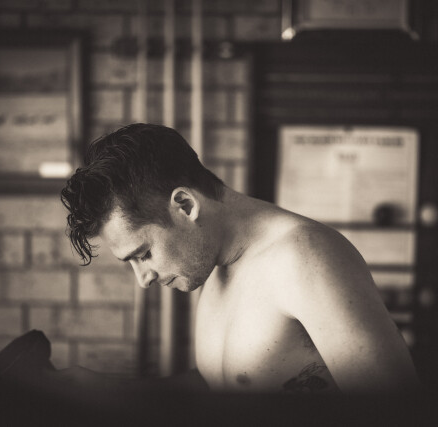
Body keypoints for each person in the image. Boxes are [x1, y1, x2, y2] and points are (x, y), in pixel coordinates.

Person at [58, 123, 419, 397]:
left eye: (144, 254)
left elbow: (394, 408)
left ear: (185, 205)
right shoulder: (214, 264)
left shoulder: (306, 257)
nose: (143, 279)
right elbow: (222, 385)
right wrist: (97, 389)